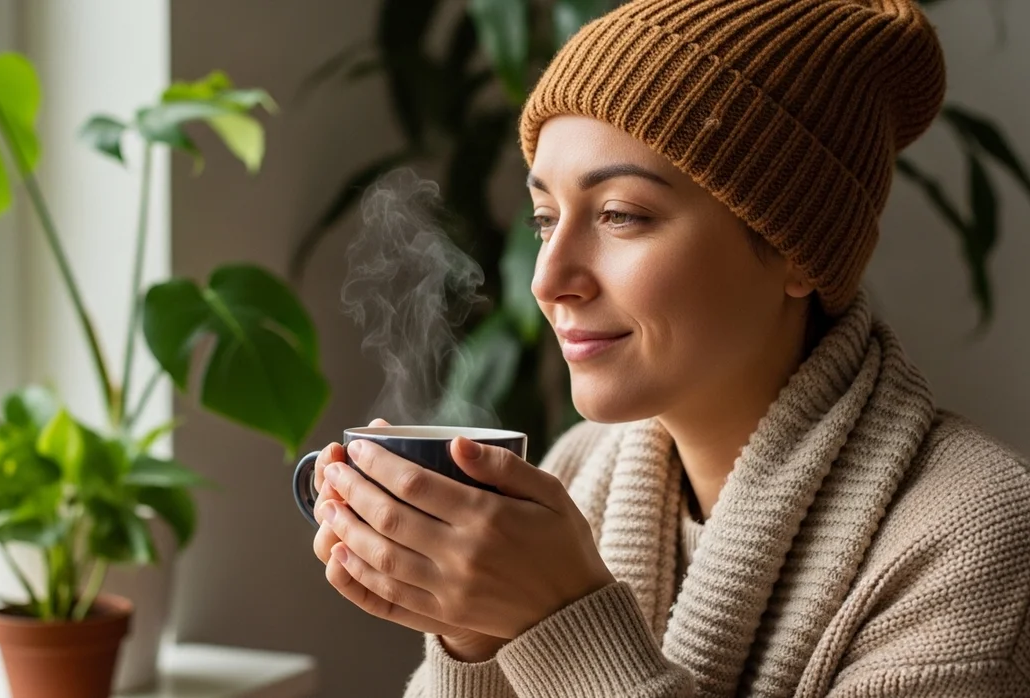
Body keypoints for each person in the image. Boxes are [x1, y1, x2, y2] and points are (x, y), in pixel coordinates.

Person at [310, 0, 1030, 695]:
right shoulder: (578, 473)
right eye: (543, 219)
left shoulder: (975, 537)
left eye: (621, 215)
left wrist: (560, 624)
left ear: (800, 254)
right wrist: (475, 640)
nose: (547, 279)